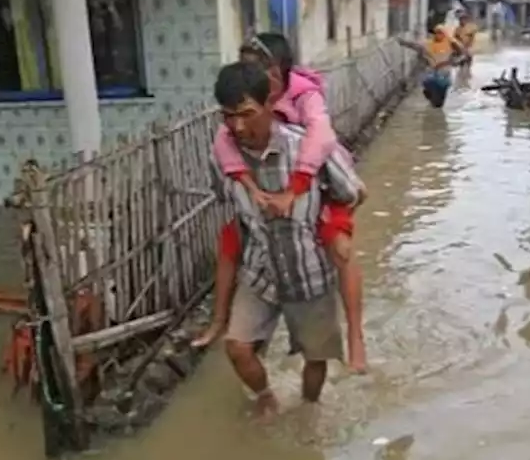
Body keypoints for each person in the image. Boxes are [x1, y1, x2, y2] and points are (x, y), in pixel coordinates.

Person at [193, 33, 369, 372]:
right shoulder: (237, 117)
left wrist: (300, 188)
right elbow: (223, 146)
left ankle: (356, 337)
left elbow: (321, 138)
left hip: (318, 177)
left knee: (340, 250)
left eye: (254, 68)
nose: (247, 74)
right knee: (230, 243)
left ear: (275, 75)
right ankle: (220, 321)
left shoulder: (306, 95)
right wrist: (249, 187)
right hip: (267, 181)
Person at [399, 25, 463, 107]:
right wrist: (403, 42)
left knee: (440, 101)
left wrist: (451, 62)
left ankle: (435, 101)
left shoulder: (451, 44)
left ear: (445, 34)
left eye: (441, 33)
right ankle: (429, 95)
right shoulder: (428, 44)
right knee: (429, 85)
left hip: (444, 75)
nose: (438, 35)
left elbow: (461, 54)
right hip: (431, 74)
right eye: (436, 33)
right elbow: (415, 45)